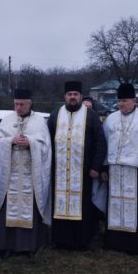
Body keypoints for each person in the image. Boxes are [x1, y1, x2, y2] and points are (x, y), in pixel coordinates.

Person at [100, 83, 138, 254]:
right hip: (114, 171)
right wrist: (103, 167)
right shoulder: (111, 119)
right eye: (119, 101)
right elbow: (105, 144)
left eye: (125, 101)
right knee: (115, 206)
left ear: (134, 100)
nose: (121, 104)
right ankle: (115, 242)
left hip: (137, 171)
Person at [0, 88, 51, 257]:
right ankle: (6, 245)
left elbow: (46, 147)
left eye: (22, 104)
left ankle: (29, 247)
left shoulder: (39, 121)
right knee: (8, 209)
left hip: (30, 177)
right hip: (10, 177)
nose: (18, 107)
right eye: (16, 104)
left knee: (29, 209)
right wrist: (10, 141)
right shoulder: (7, 120)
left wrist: (30, 142)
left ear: (29, 104)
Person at [47, 81, 107, 249]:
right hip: (59, 173)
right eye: (69, 94)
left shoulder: (91, 115)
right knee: (59, 205)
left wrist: (95, 167)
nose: (72, 97)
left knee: (83, 207)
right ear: (64, 96)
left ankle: (82, 241)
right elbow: (47, 141)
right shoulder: (55, 115)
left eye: (75, 94)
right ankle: (60, 240)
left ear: (81, 96)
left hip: (83, 172)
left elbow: (100, 143)